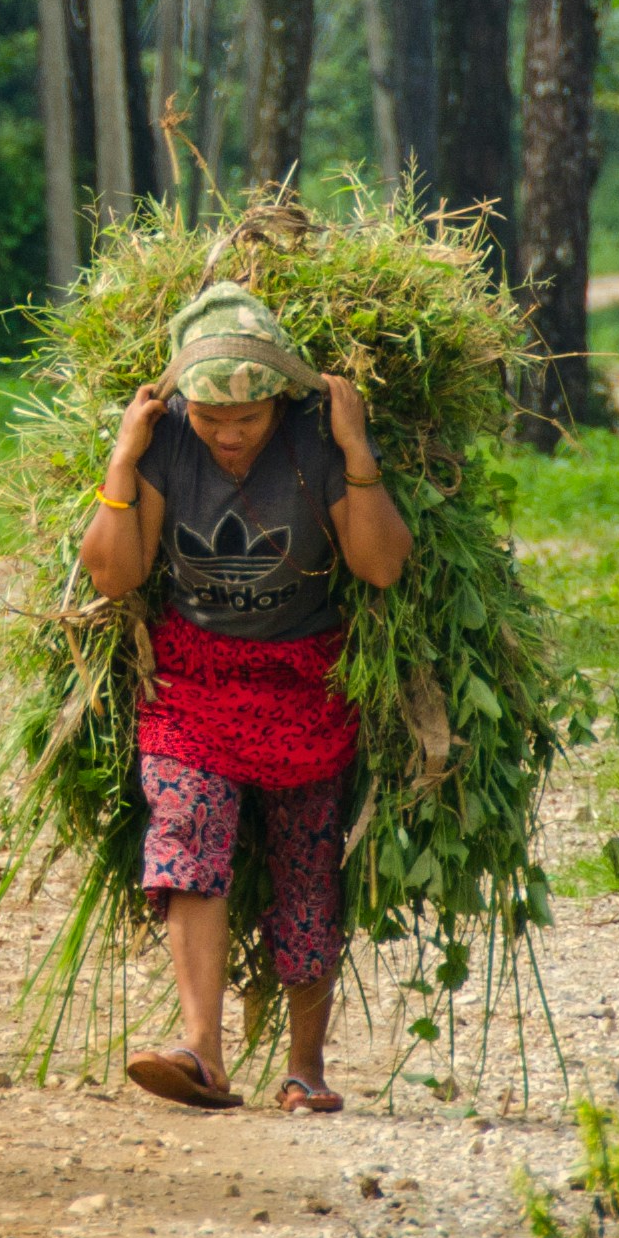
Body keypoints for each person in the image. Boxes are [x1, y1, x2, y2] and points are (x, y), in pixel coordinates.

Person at [77, 284, 413, 1114]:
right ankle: (201, 1052)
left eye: (249, 419)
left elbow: (382, 567)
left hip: (307, 681)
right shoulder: (164, 449)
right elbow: (115, 575)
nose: (228, 436)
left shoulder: (317, 445)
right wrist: (123, 460)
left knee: (308, 867)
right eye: (210, 418)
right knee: (186, 825)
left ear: (281, 403)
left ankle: (307, 1069)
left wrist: (357, 449)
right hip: (193, 679)